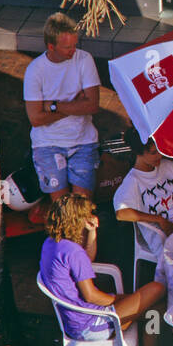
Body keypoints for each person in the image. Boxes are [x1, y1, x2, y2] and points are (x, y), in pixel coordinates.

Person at [39, 194, 165, 346]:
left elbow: (86, 260)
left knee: (153, 310)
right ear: (77, 219)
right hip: (91, 325)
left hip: (75, 321)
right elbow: (90, 296)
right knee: (156, 290)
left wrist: (92, 233)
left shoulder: (52, 243)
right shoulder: (72, 251)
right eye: (86, 215)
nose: (91, 217)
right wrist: (119, 299)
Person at [24, 12, 101, 222]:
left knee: (82, 210)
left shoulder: (84, 59)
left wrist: (54, 106)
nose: (73, 50)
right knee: (63, 211)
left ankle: (85, 242)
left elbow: (92, 105)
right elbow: (36, 119)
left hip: (83, 141)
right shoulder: (35, 70)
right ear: (51, 46)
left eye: (75, 44)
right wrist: (75, 104)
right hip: (47, 145)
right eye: (67, 47)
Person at [114, 129, 173, 270]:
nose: (159, 155)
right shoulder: (133, 180)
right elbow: (122, 213)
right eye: (153, 152)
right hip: (169, 232)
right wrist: (159, 220)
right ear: (138, 153)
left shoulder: (167, 166)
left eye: (160, 150)